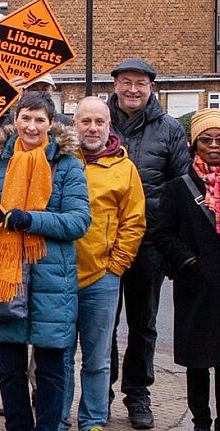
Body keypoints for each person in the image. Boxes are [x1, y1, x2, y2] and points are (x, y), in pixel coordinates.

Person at [0, 91, 91, 431]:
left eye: (40, 119)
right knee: (9, 369)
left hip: (53, 282)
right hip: (5, 277)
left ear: (51, 123)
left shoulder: (67, 164)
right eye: (26, 118)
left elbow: (78, 221)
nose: (32, 126)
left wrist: (31, 220)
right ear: (15, 121)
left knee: (52, 369)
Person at [108, 58, 191, 429]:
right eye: (126, 82)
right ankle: (100, 392)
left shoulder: (170, 130)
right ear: (116, 86)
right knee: (101, 322)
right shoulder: (98, 120)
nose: (133, 89)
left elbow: (182, 188)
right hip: (103, 242)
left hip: (150, 243)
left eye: (140, 83)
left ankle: (138, 394)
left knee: (144, 323)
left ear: (151, 88)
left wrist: (174, 246)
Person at [59, 96, 146, 431]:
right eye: (85, 121)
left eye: (99, 122)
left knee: (97, 360)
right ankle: (58, 420)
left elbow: (134, 221)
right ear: (75, 124)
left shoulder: (125, 169)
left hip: (102, 278)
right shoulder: (62, 161)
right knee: (59, 357)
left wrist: (116, 266)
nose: (92, 128)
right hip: (61, 277)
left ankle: (93, 420)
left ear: (109, 125)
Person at [153, 109, 220, 431]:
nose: (214, 145)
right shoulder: (179, 187)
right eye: (206, 139)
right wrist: (188, 262)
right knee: (197, 361)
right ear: (194, 145)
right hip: (196, 287)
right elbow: (162, 232)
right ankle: (201, 421)